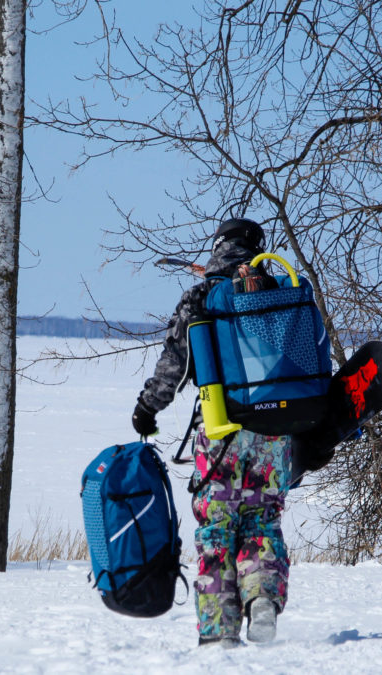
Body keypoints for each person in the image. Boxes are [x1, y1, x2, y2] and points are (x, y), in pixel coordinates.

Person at [132, 217, 293, 648]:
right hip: (275, 435)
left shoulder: (201, 296)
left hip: (220, 434)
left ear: (218, 246)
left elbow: (175, 366)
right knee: (261, 523)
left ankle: (219, 634)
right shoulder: (279, 293)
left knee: (217, 531)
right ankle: (261, 600)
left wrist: (147, 408)